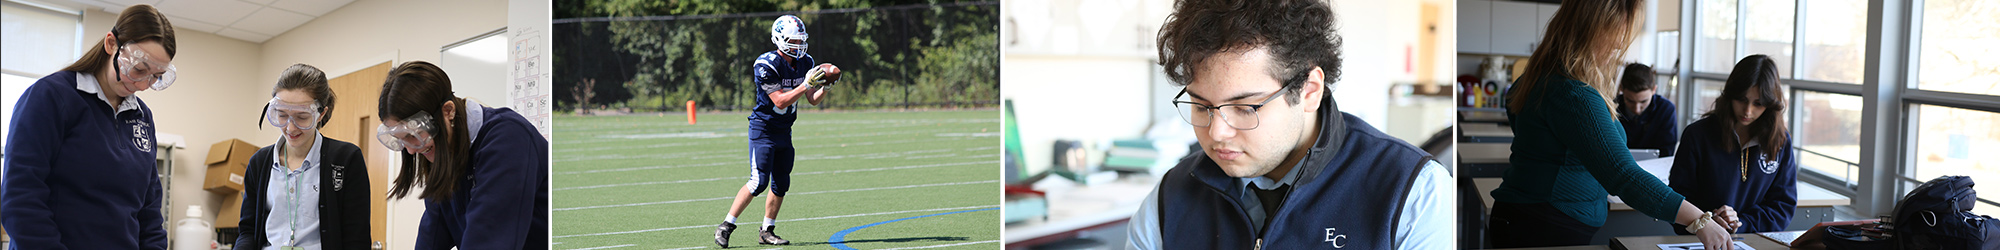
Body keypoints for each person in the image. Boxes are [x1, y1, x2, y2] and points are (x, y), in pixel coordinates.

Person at [1123, 0, 1452, 248]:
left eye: (1245, 107)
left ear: (1309, 90)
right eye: (1200, 105)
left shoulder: (1413, 192)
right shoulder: (1169, 198)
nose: (1216, 133)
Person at [1490, 0, 1743, 249]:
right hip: (1542, 226)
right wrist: (1700, 221)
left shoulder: (1538, 77)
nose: (1621, 45)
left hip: (1529, 219)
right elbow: (1622, 175)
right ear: (1589, 30)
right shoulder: (1573, 93)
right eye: (1615, 36)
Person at [1, 4, 177, 249]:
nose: (143, 85)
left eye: (155, 77)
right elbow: (21, 198)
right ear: (111, 44)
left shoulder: (142, 117)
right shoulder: (52, 97)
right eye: (138, 69)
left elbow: (149, 215)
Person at [377, 61, 549, 249]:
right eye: (402, 140)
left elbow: (488, 238)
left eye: (413, 135)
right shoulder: (444, 156)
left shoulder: (508, 138)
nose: (410, 150)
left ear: (448, 111)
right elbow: (432, 234)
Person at [714, 14, 836, 248]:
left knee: (781, 183)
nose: (799, 46)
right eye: (794, 41)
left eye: (801, 41)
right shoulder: (766, 64)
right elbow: (779, 101)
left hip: (784, 130)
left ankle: (767, 231)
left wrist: (825, 88)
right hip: (764, 129)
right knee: (759, 181)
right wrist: (805, 84)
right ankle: (726, 225)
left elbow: (812, 99)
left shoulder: (806, 62)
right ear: (779, 39)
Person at [235, 64, 373, 250]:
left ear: (320, 114)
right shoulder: (259, 162)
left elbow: (357, 237)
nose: (290, 128)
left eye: (301, 117)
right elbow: (248, 231)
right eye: (282, 115)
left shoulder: (346, 159)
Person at [1669, 55, 1797, 234]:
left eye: (1758, 104)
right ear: (1730, 95)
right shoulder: (1697, 135)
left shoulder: (1780, 141)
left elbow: (1782, 206)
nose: (1747, 111)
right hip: (1699, 240)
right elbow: (1676, 198)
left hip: (1754, 241)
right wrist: (1708, 221)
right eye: (1742, 100)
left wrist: (1741, 223)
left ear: (1770, 105)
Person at [1615, 63, 1678, 156]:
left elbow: (1667, 152)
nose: (1637, 109)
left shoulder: (1666, 110)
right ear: (1621, 88)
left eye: (1643, 101)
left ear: (1654, 90)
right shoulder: (1611, 107)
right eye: (1630, 101)